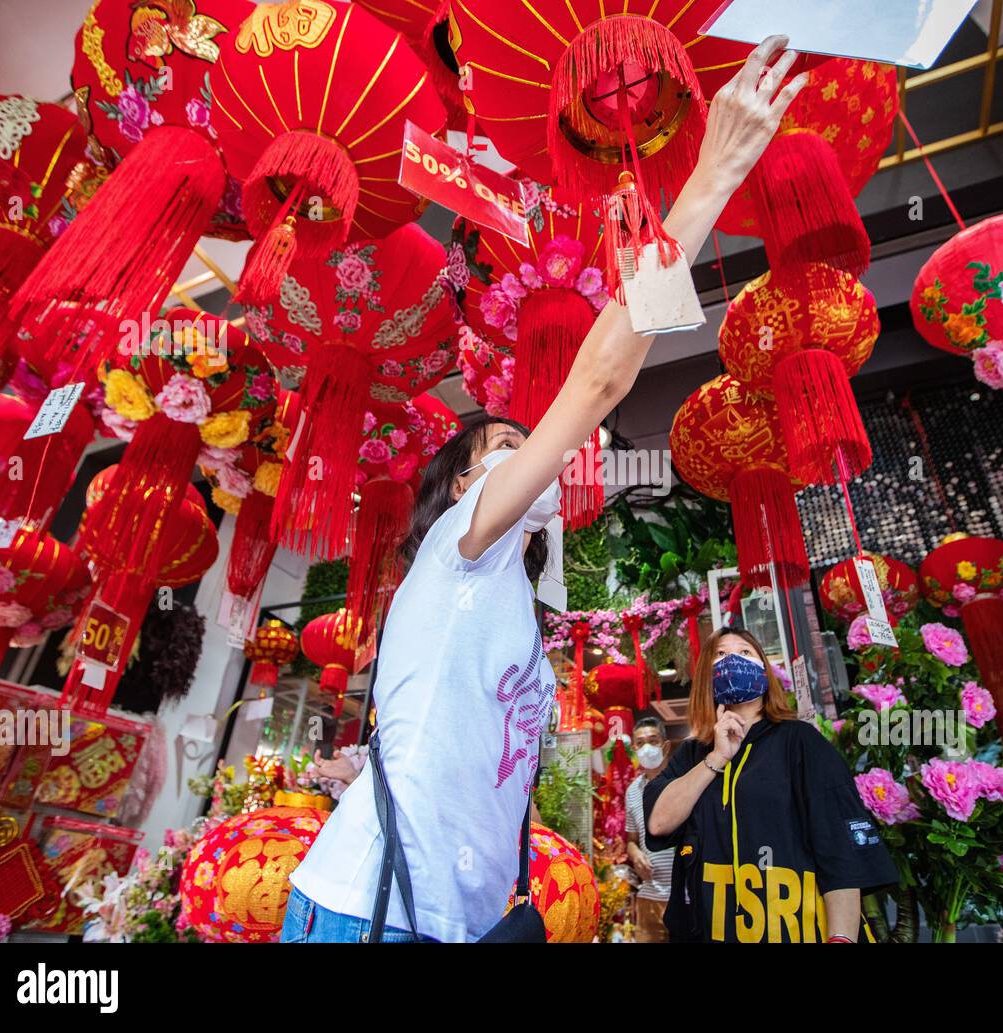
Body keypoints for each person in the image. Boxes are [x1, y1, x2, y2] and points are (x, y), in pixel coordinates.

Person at [281, 36, 809, 943]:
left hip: (461, 918)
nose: (530, 458)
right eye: (500, 449)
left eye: (532, 449)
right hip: (375, 910)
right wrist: (712, 173)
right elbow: (599, 384)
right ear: (459, 489)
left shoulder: (504, 598)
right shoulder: (459, 546)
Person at [644, 628, 898, 943]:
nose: (734, 659)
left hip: (797, 930)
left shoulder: (801, 741)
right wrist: (718, 757)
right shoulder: (693, 754)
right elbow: (658, 822)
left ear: (764, 670)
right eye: (721, 655)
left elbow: (841, 851)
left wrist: (841, 937)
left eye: (746, 653)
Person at [625, 716, 675, 942]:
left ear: (666, 746)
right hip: (648, 896)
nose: (646, 747)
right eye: (640, 742)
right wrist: (635, 854)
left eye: (653, 741)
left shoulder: (682, 782)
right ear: (634, 748)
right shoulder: (633, 791)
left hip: (684, 895)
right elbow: (632, 839)